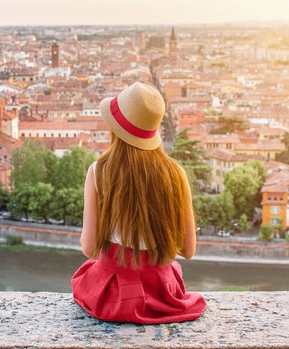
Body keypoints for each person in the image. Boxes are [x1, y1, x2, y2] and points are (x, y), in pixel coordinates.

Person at [71, 82, 206, 324]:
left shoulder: (98, 172)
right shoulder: (175, 174)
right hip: (162, 293)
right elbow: (189, 250)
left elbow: (89, 248)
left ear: (115, 129)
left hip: (113, 294)